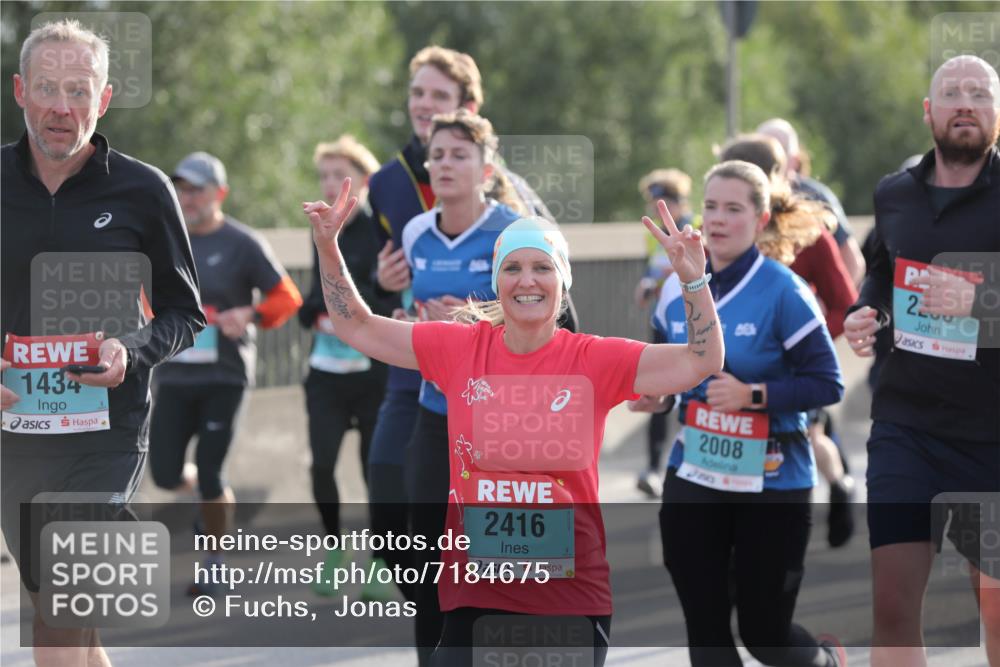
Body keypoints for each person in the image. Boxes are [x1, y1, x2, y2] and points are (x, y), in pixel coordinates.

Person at [303, 175, 722, 667]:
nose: (527, 280)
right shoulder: (459, 347)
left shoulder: (594, 360)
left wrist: (693, 282)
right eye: (513, 268)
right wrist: (328, 248)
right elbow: (356, 325)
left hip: (568, 595)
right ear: (497, 281)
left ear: (562, 281)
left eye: (542, 267)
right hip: (476, 593)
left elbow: (701, 360)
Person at [0, 19, 204, 666]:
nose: (62, 107)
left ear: (105, 98)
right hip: (13, 434)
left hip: (106, 432)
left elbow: (184, 312)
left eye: (79, 91)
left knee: (60, 612)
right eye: (47, 88)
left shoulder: (143, 190)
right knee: (67, 616)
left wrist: (130, 350)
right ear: (20, 91)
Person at [365, 45, 575, 624]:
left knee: (497, 553)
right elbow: (383, 288)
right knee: (398, 531)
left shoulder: (512, 206)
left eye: (440, 96)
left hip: (499, 401)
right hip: (421, 389)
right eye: (418, 93)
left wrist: (480, 316)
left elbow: (558, 305)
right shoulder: (389, 189)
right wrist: (386, 291)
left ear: (470, 109)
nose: (425, 105)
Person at [650, 160, 846, 666]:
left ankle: (827, 661)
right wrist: (657, 397)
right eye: (711, 206)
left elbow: (828, 382)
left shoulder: (784, 291)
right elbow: (663, 371)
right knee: (707, 631)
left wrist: (752, 395)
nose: (718, 219)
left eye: (733, 209)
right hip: (696, 472)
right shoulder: (674, 289)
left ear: (760, 220)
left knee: (765, 635)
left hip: (774, 480)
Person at [843, 55, 1000, 667]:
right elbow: (882, 271)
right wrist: (868, 312)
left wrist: (979, 300)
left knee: (995, 613)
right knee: (892, 609)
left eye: (979, 93)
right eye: (951, 93)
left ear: (997, 114)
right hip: (906, 428)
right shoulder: (894, 194)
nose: (965, 103)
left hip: (991, 438)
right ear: (928, 112)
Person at [399, 109, 530, 661]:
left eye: (459, 155)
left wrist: (479, 317)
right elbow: (409, 313)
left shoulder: (514, 233)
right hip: (437, 413)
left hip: (501, 422)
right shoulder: (415, 232)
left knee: (496, 558)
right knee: (425, 557)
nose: (446, 164)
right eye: (437, 155)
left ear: (487, 169)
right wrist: (411, 321)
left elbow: (558, 321)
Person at [149, 151, 302, 596]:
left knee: (212, 471)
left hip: (225, 377)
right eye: (181, 189)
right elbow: (141, 296)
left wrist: (249, 314)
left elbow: (287, 297)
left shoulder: (242, 242)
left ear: (220, 193)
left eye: (196, 190)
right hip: (174, 376)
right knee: (164, 474)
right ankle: (211, 500)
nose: (188, 198)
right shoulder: (166, 240)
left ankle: (214, 560)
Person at [719, 133, 859, 548]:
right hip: (734, 371)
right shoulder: (717, 235)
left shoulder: (809, 234)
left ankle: (838, 487)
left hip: (793, 373)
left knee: (810, 437)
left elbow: (845, 305)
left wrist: (804, 341)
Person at [297, 136, 391, 598]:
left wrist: (351, 316)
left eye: (341, 175)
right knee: (321, 466)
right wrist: (315, 314)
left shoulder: (383, 231)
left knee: (377, 472)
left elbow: (387, 302)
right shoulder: (319, 229)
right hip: (326, 375)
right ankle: (334, 548)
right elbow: (313, 299)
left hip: (375, 376)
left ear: (364, 181)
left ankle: (381, 558)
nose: (331, 184)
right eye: (325, 176)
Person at [632, 168, 694, 498]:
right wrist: (647, 285)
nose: (658, 211)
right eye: (653, 204)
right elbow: (653, 270)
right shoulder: (651, 233)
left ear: (679, 202)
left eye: (663, 203)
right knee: (657, 390)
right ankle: (654, 468)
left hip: (694, 322)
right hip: (663, 320)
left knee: (693, 390)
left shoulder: (697, 227)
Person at [757, 118, 866, 287]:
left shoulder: (816, 197)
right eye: (761, 152)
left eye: (778, 152)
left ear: (794, 160)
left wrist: (828, 299)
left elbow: (853, 262)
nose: (769, 161)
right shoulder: (742, 195)